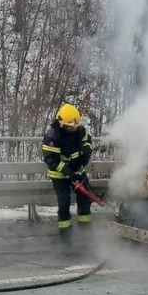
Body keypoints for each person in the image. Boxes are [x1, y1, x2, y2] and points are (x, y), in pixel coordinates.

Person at [41, 103, 94, 241]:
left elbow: (87, 141)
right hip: (59, 175)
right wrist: (66, 171)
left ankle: (85, 232)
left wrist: (86, 150)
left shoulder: (79, 130)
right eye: (70, 126)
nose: (73, 128)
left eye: (75, 125)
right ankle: (65, 236)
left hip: (77, 170)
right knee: (64, 202)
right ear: (61, 123)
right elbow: (50, 159)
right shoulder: (53, 136)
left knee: (85, 198)